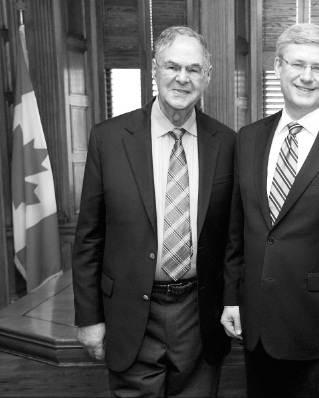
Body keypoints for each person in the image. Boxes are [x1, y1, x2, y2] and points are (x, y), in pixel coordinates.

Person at [220, 23, 319, 397]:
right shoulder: (249, 138)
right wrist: (231, 296)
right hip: (257, 326)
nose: (306, 77)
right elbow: (238, 229)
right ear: (277, 67)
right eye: (297, 64)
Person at [72, 26, 235, 397]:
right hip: (131, 314)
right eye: (172, 66)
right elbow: (89, 237)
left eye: (194, 69)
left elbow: (232, 237)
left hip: (198, 313)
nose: (182, 78)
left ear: (207, 76)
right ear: (155, 70)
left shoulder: (227, 142)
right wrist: (88, 318)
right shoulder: (109, 139)